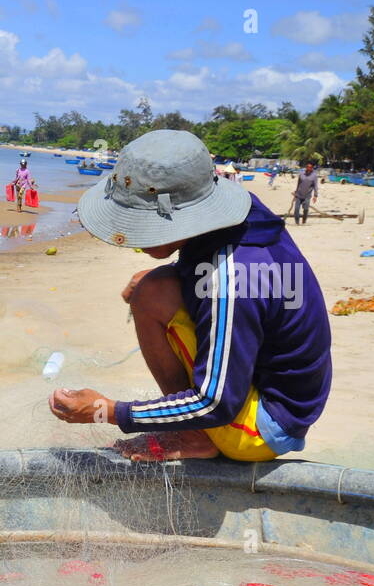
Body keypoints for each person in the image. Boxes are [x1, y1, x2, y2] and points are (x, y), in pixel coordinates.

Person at [47, 129, 331, 463]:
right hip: (283, 390)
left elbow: (216, 404)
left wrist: (109, 411)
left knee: (151, 294)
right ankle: (194, 428)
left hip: (267, 425)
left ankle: (196, 436)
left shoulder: (229, 281)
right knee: (152, 282)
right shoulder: (241, 219)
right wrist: (172, 273)